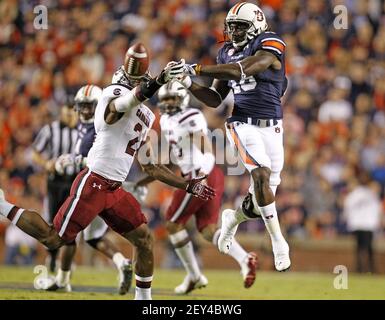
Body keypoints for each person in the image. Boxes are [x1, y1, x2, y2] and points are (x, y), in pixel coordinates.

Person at [0, 45, 215, 300]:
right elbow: (121, 106)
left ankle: (143, 300)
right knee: (54, 238)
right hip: (94, 181)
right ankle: (3, 205)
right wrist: (157, 80)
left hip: (115, 188)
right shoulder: (113, 95)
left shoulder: (146, 114)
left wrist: (187, 185)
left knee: (144, 240)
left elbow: (150, 166)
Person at [170, 2, 291, 271]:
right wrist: (188, 83)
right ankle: (278, 242)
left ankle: (232, 220)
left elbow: (244, 68)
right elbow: (215, 98)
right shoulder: (225, 52)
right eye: (231, 26)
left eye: (240, 26)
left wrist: (196, 69)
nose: (234, 31)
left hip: (273, 128)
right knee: (259, 175)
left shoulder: (271, 42)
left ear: (257, 24)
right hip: (242, 123)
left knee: (259, 202)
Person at [135, 80, 257, 294]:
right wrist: (146, 179)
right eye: (165, 99)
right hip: (203, 175)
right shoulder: (165, 120)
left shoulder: (191, 116)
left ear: (182, 98)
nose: (169, 103)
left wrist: (201, 177)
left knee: (173, 223)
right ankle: (244, 259)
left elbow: (206, 149)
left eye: (172, 98)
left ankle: (194, 275)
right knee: (208, 230)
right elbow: (177, 155)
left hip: (200, 175)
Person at [47, 84, 133, 294]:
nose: (85, 111)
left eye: (90, 106)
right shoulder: (84, 126)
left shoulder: (99, 127)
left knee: (66, 234)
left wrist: (71, 161)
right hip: (99, 185)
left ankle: (62, 279)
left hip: (91, 185)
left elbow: (98, 159)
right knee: (93, 237)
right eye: (82, 106)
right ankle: (122, 262)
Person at [31, 102, 78, 273]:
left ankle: (66, 263)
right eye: (67, 114)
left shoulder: (84, 131)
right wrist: (46, 164)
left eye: (72, 114)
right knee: (52, 222)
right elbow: (35, 153)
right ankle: (52, 257)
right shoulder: (50, 130)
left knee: (71, 222)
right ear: (61, 114)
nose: (70, 117)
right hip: (55, 182)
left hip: (74, 181)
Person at [343, 174, 382, 273]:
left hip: (358, 224)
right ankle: (369, 268)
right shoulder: (371, 193)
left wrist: (348, 220)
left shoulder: (354, 194)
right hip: (368, 224)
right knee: (368, 248)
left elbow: (347, 208)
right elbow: (377, 209)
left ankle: (360, 268)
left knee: (359, 248)